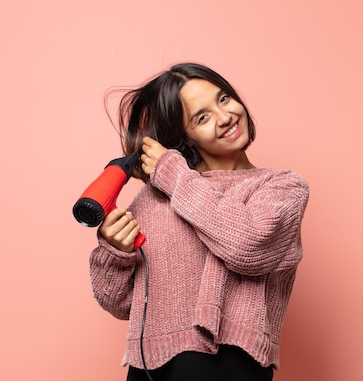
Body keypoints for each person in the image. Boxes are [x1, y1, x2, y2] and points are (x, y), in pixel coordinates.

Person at [88, 62, 309, 381]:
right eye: (202, 117)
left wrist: (173, 175)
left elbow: (247, 246)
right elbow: (120, 304)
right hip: (148, 370)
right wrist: (115, 253)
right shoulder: (155, 197)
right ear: (186, 137)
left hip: (230, 368)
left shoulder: (282, 188)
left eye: (223, 99)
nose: (225, 117)